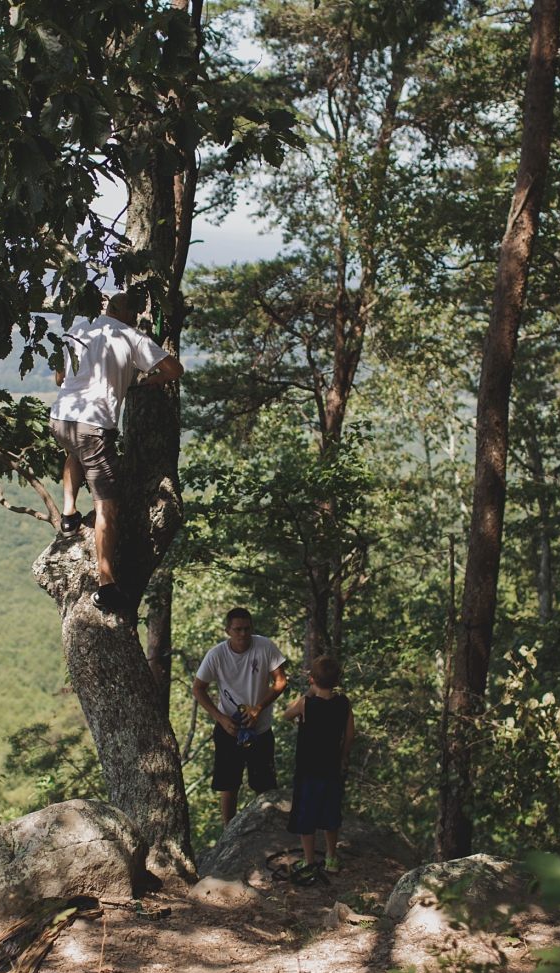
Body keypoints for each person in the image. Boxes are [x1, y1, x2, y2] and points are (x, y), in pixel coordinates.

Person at [51, 291, 184, 613]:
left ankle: (68, 513)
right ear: (128, 314)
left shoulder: (78, 329)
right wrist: (152, 378)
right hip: (94, 427)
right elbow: (174, 369)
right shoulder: (131, 336)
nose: (138, 319)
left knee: (75, 452)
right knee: (108, 508)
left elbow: (58, 377)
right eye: (136, 314)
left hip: (59, 419)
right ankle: (106, 585)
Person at [193, 608, 290, 825]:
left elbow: (281, 681)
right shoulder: (216, 655)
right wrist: (220, 717)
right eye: (237, 629)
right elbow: (198, 688)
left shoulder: (265, 646)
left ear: (252, 628)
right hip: (229, 727)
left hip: (261, 728)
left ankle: (263, 827)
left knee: (263, 785)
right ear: (228, 630)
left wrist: (259, 708)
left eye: (247, 629)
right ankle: (229, 831)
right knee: (229, 785)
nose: (243, 634)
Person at [281, 654, 355, 874]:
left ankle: (310, 861)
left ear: (312, 679)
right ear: (337, 681)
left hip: (307, 771)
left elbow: (286, 715)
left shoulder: (306, 704)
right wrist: (340, 757)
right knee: (331, 815)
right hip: (331, 770)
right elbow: (350, 736)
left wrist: (307, 692)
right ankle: (331, 858)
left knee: (307, 816)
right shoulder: (343, 702)